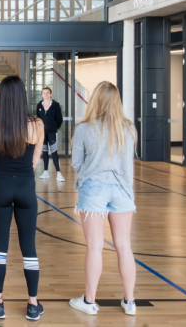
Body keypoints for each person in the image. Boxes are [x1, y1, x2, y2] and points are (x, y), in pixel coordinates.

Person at [69, 81, 138, 317]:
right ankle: (130, 302)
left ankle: (89, 301)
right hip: (122, 191)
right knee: (124, 246)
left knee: (95, 248)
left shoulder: (84, 128)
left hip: (93, 190)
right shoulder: (128, 128)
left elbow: (76, 163)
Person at [0, 76, 45, 321]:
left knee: (0, 247)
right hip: (26, 188)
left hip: (0, 186)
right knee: (29, 248)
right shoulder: (37, 124)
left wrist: (4, 176)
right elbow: (35, 161)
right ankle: (32, 304)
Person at [36, 87, 65, 182]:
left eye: (47, 92)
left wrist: (54, 127)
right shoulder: (39, 105)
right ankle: (45, 172)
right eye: (44, 93)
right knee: (44, 152)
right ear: (42, 95)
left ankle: (59, 174)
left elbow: (59, 119)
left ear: (50, 94)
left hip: (52, 132)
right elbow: (38, 119)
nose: (46, 94)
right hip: (42, 133)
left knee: (54, 152)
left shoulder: (55, 105)